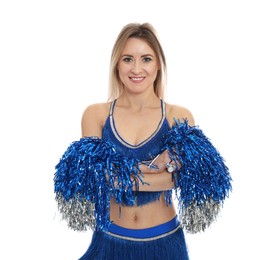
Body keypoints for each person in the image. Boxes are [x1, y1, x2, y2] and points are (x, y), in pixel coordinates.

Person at [54, 23, 232, 260]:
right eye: (128, 59)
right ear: (117, 64)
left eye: (146, 59)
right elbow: (96, 176)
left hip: (165, 244)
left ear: (158, 65)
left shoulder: (178, 116)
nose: (136, 68)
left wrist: (121, 172)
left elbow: (183, 179)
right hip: (108, 243)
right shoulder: (95, 115)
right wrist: (153, 169)